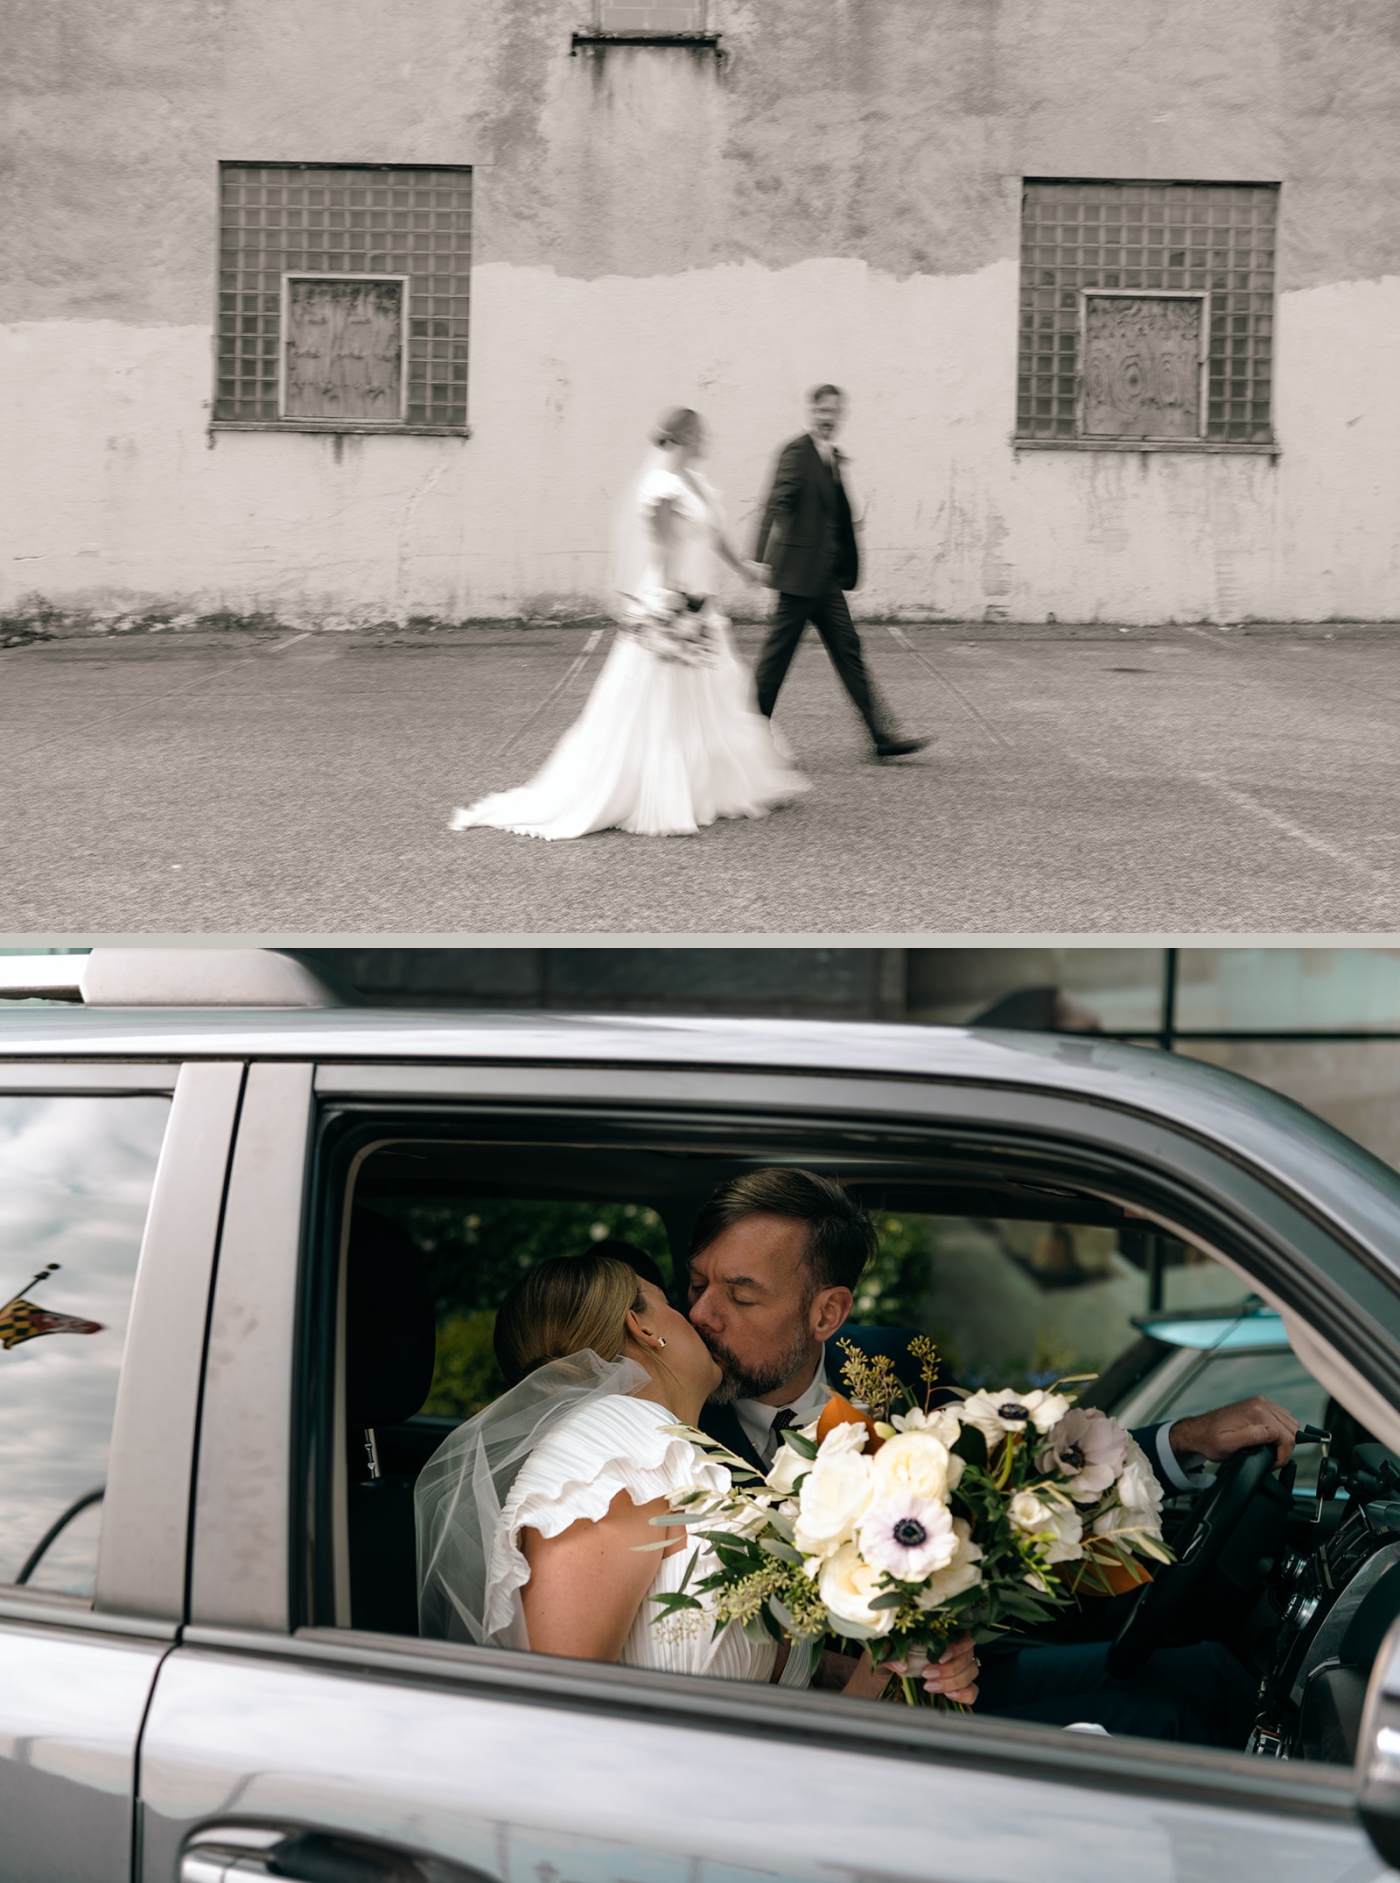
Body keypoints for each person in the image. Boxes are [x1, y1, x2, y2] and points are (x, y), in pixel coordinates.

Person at [686, 1167, 1289, 1740]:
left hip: (958, 1673)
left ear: (828, 1313)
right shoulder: (673, 1421)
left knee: (1209, 1672)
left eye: (741, 1297)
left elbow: (1018, 1476)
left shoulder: (897, 1369)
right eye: (694, 1285)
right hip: (850, 1712)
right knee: (1166, 1721)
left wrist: (1181, 1440)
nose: (700, 1315)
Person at [413, 1249, 973, 1699]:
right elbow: (561, 1706)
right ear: (642, 1326)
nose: (699, 1318)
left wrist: (898, 1659)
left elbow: (735, 1659)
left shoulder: (666, 1450)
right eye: (673, 1302)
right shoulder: (609, 1452)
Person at [448, 407, 807, 841]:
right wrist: (672, 604)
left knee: (716, 691)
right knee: (659, 698)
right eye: (697, 433)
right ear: (679, 438)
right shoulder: (662, 486)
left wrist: (745, 568)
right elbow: (660, 545)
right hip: (674, 603)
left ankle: (712, 784)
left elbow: (712, 536)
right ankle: (654, 787)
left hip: (699, 605)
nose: (704, 438)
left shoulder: (700, 485)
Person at [754, 386, 929, 762]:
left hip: (826, 581)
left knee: (850, 653)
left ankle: (881, 735)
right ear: (812, 411)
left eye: (834, 412)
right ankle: (746, 732)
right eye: (822, 411)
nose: (828, 418)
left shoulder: (831, 456)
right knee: (775, 662)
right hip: (798, 579)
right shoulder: (796, 452)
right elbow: (774, 505)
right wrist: (758, 556)